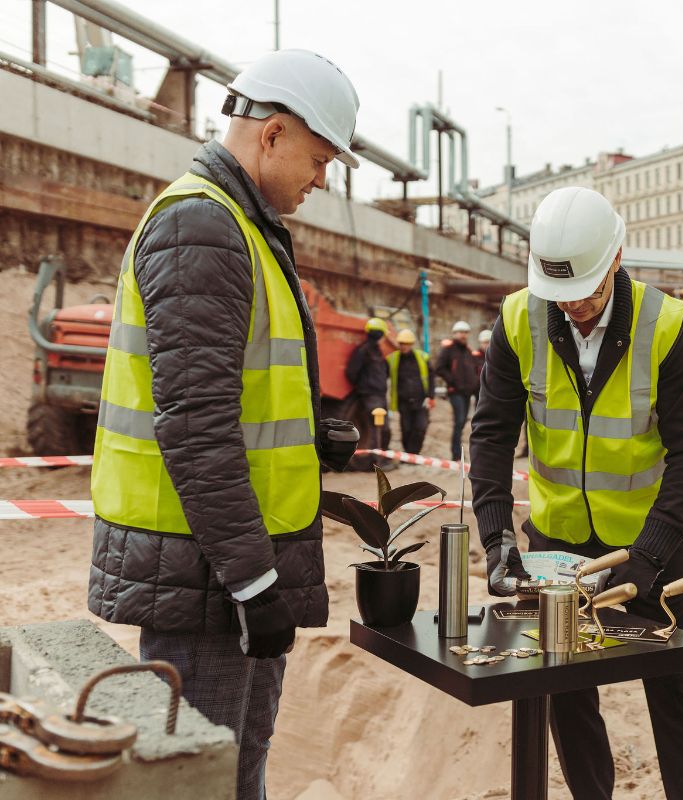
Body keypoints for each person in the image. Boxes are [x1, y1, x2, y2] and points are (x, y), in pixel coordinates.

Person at [88, 49, 361, 800]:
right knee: (208, 781)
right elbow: (196, 425)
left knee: (238, 768)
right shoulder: (204, 228)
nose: (321, 180)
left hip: (218, 567)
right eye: (317, 158)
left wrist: (310, 434)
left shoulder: (238, 222)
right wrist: (253, 582)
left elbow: (232, 398)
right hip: (206, 579)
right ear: (271, 134)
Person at [469, 186, 683, 800]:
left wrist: (652, 552)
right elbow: (491, 435)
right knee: (563, 690)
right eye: (560, 294)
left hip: (651, 544)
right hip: (556, 544)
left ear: (615, 258)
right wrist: (498, 536)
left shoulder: (665, 328)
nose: (574, 307)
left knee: (675, 688)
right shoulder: (519, 319)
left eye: (585, 290)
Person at [346, 317, 392, 466]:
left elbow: (385, 371)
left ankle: (381, 458)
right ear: (380, 334)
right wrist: (363, 388)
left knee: (383, 429)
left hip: (379, 395)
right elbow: (351, 372)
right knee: (377, 429)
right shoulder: (364, 351)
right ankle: (376, 462)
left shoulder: (376, 351)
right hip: (371, 395)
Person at [435, 319, 480, 461]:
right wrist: (453, 381)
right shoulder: (448, 350)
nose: (463, 335)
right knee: (459, 421)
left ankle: (459, 452)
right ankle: (455, 454)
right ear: (454, 333)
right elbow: (439, 368)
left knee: (462, 422)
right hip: (456, 392)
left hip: (467, 393)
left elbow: (472, 370)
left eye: (466, 332)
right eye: (460, 332)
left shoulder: (467, 351)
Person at [386, 328, 434, 455]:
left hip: (421, 400)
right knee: (406, 429)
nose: (404, 347)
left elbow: (431, 377)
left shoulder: (422, 357)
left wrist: (431, 396)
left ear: (411, 344)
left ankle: (414, 453)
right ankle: (408, 454)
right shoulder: (392, 359)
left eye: (406, 344)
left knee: (420, 427)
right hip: (403, 401)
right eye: (401, 344)